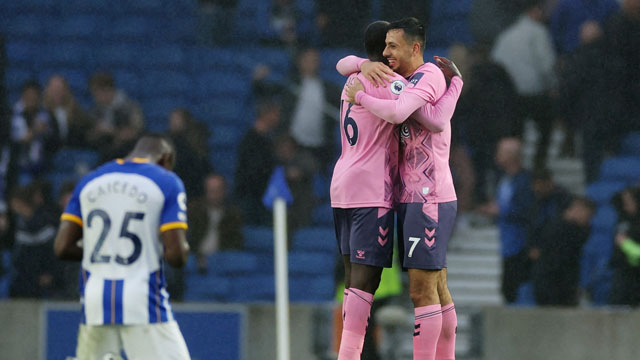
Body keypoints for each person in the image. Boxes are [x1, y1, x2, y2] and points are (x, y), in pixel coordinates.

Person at [341, 17, 464, 360]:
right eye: (383, 46)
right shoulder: (404, 79)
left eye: (392, 46)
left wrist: (361, 96)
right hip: (411, 195)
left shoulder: (428, 76)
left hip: (429, 197)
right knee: (437, 285)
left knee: (422, 289)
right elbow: (345, 63)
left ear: (414, 47)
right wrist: (364, 64)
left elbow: (425, 119)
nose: (386, 52)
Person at [53, 134, 191, 360]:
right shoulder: (166, 181)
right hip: (141, 298)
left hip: (94, 298)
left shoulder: (89, 180)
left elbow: (62, 247)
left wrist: (108, 248)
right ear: (165, 159)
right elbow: (176, 255)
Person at [491, 0, 557, 167]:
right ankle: (539, 163)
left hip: (511, 96)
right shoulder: (538, 32)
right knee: (545, 128)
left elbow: (496, 64)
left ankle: (515, 165)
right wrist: (552, 86)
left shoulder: (505, 36)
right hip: (535, 94)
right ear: (534, 11)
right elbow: (546, 66)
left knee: (516, 134)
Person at [478, 138, 534, 304]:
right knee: (507, 287)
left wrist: (501, 211)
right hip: (507, 241)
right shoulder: (504, 179)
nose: (497, 156)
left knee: (514, 286)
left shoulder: (524, 181)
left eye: (501, 152)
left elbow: (526, 210)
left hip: (520, 242)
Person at [530, 196, 595, 306]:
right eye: (587, 216)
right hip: (552, 284)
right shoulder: (558, 228)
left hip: (563, 284)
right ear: (578, 209)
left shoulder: (576, 230)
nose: (587, 220)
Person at [8, 183, 60, 298]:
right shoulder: (20, 223)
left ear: (19, 202)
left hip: (39, 280)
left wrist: (49, 272)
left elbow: (51, 252)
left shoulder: (43, 223)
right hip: (22, 277)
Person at [233, 99, 280, 226]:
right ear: (266, 114)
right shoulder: (250, 141)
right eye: (275, 114)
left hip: (259, 197)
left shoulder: (267, 140)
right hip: (250, 197)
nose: (278, 118)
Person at [188, 174, 243, 273]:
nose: (215, 194)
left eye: (218, 190)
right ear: (205, 191)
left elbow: (236, 242)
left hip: (222, 260)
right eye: (211, 191)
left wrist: (217, 258)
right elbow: (188, 238)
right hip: (196, 258)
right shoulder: (194, 211)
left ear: (225, 191)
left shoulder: (233, 215)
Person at [87, 72, 144, 162]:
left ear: (107, 90)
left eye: (97, 93)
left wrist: (112, 131)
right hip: (104, 147)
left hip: (126, 148)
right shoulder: (95, 110)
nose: (95, 97)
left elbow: (134, 132)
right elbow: (90, 134)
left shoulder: (130, 107)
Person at [11, 80, 58, 180]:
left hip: (41, 166)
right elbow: (14, 141)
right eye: (29, 95)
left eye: (35, 95)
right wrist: (35, 131)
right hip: (17, 165)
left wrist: (46, 131)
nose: (32, 98)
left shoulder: (46, 116)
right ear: (23, 95)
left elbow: (54, 139)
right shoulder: (11, 115)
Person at [167, 108, 212, 199]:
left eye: (176, 119)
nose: (172, 122)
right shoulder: (167, 142)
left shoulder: (197, 142)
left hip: (193, 190)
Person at [609, 186, 640, 306]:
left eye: (629, 201)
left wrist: (625, 244)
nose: (625, 205)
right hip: (621, 271)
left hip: (635, 274)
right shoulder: (623, 217)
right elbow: (614, 199)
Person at [549, 0, 618, 54]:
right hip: (573, 57)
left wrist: (601, 32)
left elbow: (618, 32)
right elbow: (555, 34)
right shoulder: (565, 4)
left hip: (604, 57)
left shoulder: (610, 4)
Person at [43, 75, 91, 148]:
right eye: (54, 89)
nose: (57, 92)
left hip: (73, 151)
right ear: (48, 91)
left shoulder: (76, 111)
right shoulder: (42, 112)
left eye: (60, 89)